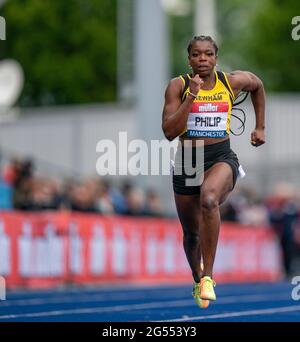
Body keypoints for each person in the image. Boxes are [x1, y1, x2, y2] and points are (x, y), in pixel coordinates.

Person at [162, 35, 265, 308]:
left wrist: (261, 126)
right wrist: (192, 96)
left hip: (221, 155)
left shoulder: (230, 82)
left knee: (209, 199)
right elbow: (170, 132)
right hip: (187, 158)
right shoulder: (178, 86)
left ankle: (209, 276)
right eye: (197, 55)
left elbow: (258, 85)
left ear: (216, 58)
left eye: (208, 54)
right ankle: (198, 279)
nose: (203, 59)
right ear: (189, 59)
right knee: (191, 234)